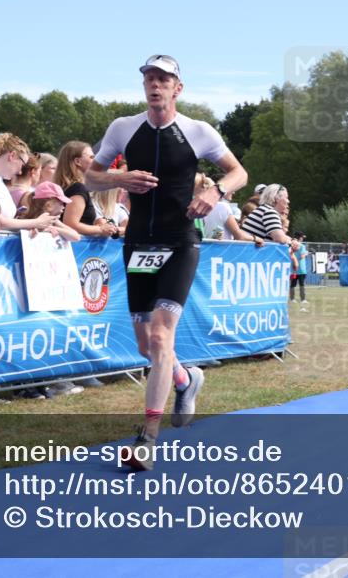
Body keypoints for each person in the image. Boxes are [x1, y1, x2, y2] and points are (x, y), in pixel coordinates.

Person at [84, 54, 248, 470]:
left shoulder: (198, 131)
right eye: (149, 79)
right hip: (139, 243)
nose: (155, 85)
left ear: (178, 88)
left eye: (164, 79)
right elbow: (89, 176)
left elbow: (237, 173)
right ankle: (185, 378)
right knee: (146, 344)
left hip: (180, 242)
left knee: (160, 337)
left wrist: (217, 193)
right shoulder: (123, 128)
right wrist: (120, 178)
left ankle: (148, 438)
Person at [56, 141, 119, 239]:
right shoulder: (77, 188)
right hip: (76, 249)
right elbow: (70, 224)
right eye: (92, 157)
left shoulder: (64, 187)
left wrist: (97, 223)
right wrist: (101, 229)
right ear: (78, 162)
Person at [290, 231, 309, 307]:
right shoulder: (302, 246)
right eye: (302, 237)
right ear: (300, 237)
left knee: (292, 284)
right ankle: (303, 299)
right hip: (301, 269)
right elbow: (302, 256)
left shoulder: (291, 245)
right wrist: (306, 253)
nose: (302, 239)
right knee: (302, 284)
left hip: (293, 268)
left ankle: (292, 298)